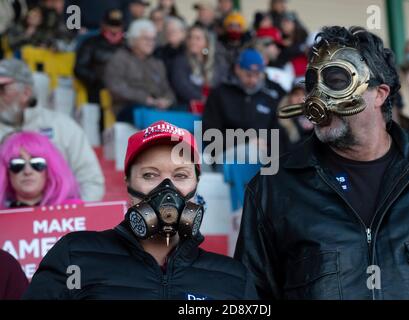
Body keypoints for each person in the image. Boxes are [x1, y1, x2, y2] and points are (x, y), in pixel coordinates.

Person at [235, 26, 409, 300]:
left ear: (380, 94)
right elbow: (251, 298)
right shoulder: (272, 188)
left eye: (336, 80)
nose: (317, 96)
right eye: (312, 83)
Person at [23, 120, 257, 299]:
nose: (168, 190)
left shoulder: (234, 278)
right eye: (150, 175)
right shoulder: (75, 255)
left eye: (181, 175)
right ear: (128, 182)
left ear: (196, 185)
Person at [0, 59, 105, 201]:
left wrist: (68, 218)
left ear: (25, 93)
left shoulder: (62, 126)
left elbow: (92, 182)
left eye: (2, 88)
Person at [202, 48, 287, 151]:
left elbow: (278, 132)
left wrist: (266, 142)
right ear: (237, 69)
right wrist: (245, 142)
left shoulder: (270, 96)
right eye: (248, 75)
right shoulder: (220, 93)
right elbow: (210, 135)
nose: (253, 80)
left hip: (264, 151)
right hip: (227, 152)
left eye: (257, 75)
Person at [103, 19, 176, 124]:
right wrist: (145, 99)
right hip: (128, 108)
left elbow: (168, 90)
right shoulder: (120, 58)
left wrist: (167, 101)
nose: (151, 43)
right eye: (146, 39)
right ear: (134, 39)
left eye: (153, 39)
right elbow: (116, 87)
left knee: (181, 112)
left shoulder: (157, 63)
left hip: (156, 109)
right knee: (144, 113)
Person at [0, 131, 81, 208]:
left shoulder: (73, 212)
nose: (27, 171)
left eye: (37, 163)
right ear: (6, 173)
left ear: (50, 170)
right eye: (17, 163)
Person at [74, 9, 125, 104]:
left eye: (117, 25)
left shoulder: (127, 46)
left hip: (122, 88)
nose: (114, 29)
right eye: (111, 24)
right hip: (97, 87)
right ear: (103, 24)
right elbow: (79, 68)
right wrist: (97, 79)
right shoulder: (91, 43)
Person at [171, 25, 228, 108]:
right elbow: (182, 86)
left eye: (198, 38)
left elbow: (221, 82)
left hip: (213, 107)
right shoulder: (180, 61)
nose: (193, 41)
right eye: (190, 38)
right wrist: (202, 98)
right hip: (189, 108)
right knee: (198, 122)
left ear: (206, 43)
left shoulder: (217, 62)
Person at [154, 16, 187, 83]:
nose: (170, 33)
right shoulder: (159, 52)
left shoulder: (189, 51)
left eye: (173, 31)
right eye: (167, 31)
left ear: (183, 33)